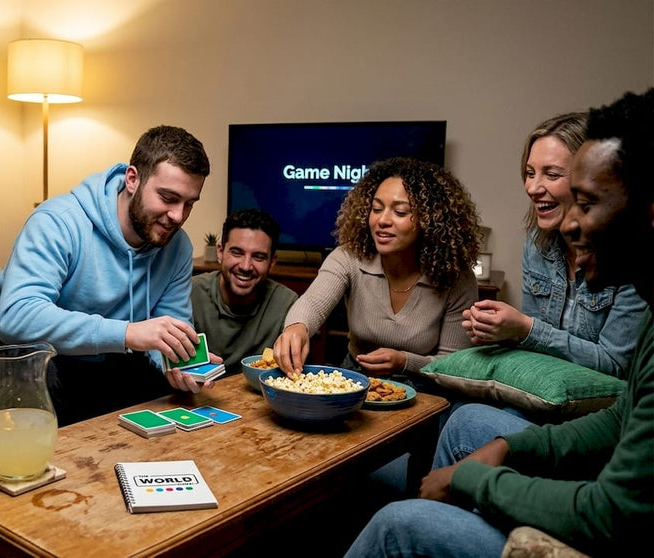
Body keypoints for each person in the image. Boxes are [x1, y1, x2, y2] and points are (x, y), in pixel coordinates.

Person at [343, 88, 654, 558]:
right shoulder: (550, 249)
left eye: (585, 202)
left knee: (397, 524)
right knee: (468, 422)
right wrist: (509, 449)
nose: (570, 224)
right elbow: (622, 417)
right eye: (530, 173)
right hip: (551, 415)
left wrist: (479, 480)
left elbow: (611, 512)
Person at [0, 125, 219, 427]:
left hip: (92, 357)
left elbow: (169, 334)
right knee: (38, 380)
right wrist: (128, 332)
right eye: (168, 198)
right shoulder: (58, 222)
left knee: (166, 401)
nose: (178, 216)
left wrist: (179, 367)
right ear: (133, 179)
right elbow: (16, 318)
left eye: (189, 204)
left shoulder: (177, 246)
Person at [462, 112, 647, 377]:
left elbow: (617, 366)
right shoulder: (537, 245)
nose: (533, 187)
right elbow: (538, 349)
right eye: (529, 173)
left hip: (610, 407)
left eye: (551, 174)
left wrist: (526, 328)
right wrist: (501, 332)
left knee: (469, 417)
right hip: (547, 389)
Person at [273, 157, 480, 381]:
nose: (382, 220)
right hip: (355, 377)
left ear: (430, 220)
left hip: (426, 386)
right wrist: (296, 327)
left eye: (400, 212)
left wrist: (405, 362)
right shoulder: (348, 257)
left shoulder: (456, 277)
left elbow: (454, 365)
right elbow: (312, 303)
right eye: (376, 209)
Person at [190, 208, 298, 376]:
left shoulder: (287, 305)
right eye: (237, 252)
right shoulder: (190, 294)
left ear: (272, 262)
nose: (246, 266)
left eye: (258, 257)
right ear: (220, 252)